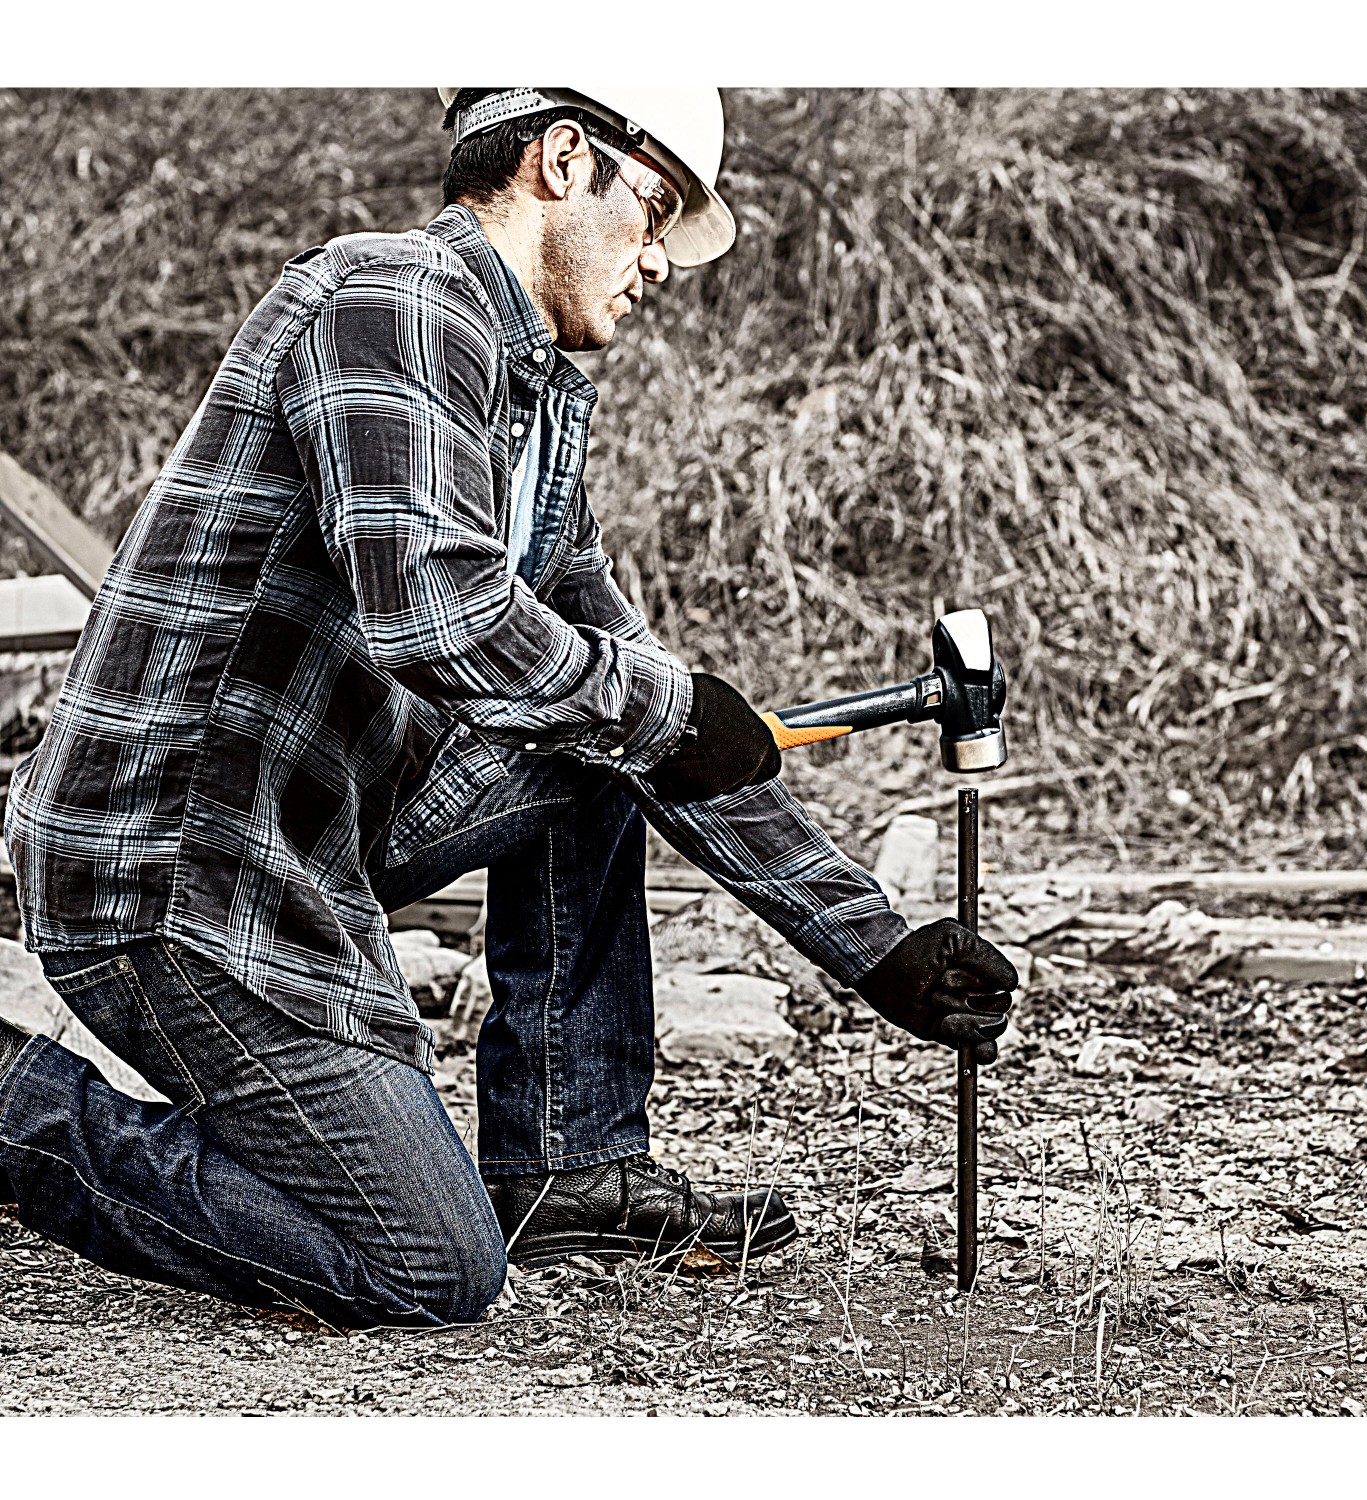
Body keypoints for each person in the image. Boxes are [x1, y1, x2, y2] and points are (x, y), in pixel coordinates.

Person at [0, 87, 1016, 1328]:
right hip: (172, 872)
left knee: (602, 731)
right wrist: (665, 706)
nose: (657, 262)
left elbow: (630, 707)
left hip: (305, 851)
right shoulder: (389, 301)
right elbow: (436, 616)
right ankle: (14, 1107)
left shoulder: (529, 405)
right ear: (562, 157)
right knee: (428, 1267)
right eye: (652, 212)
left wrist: (879, 950)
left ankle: (563, 1158)